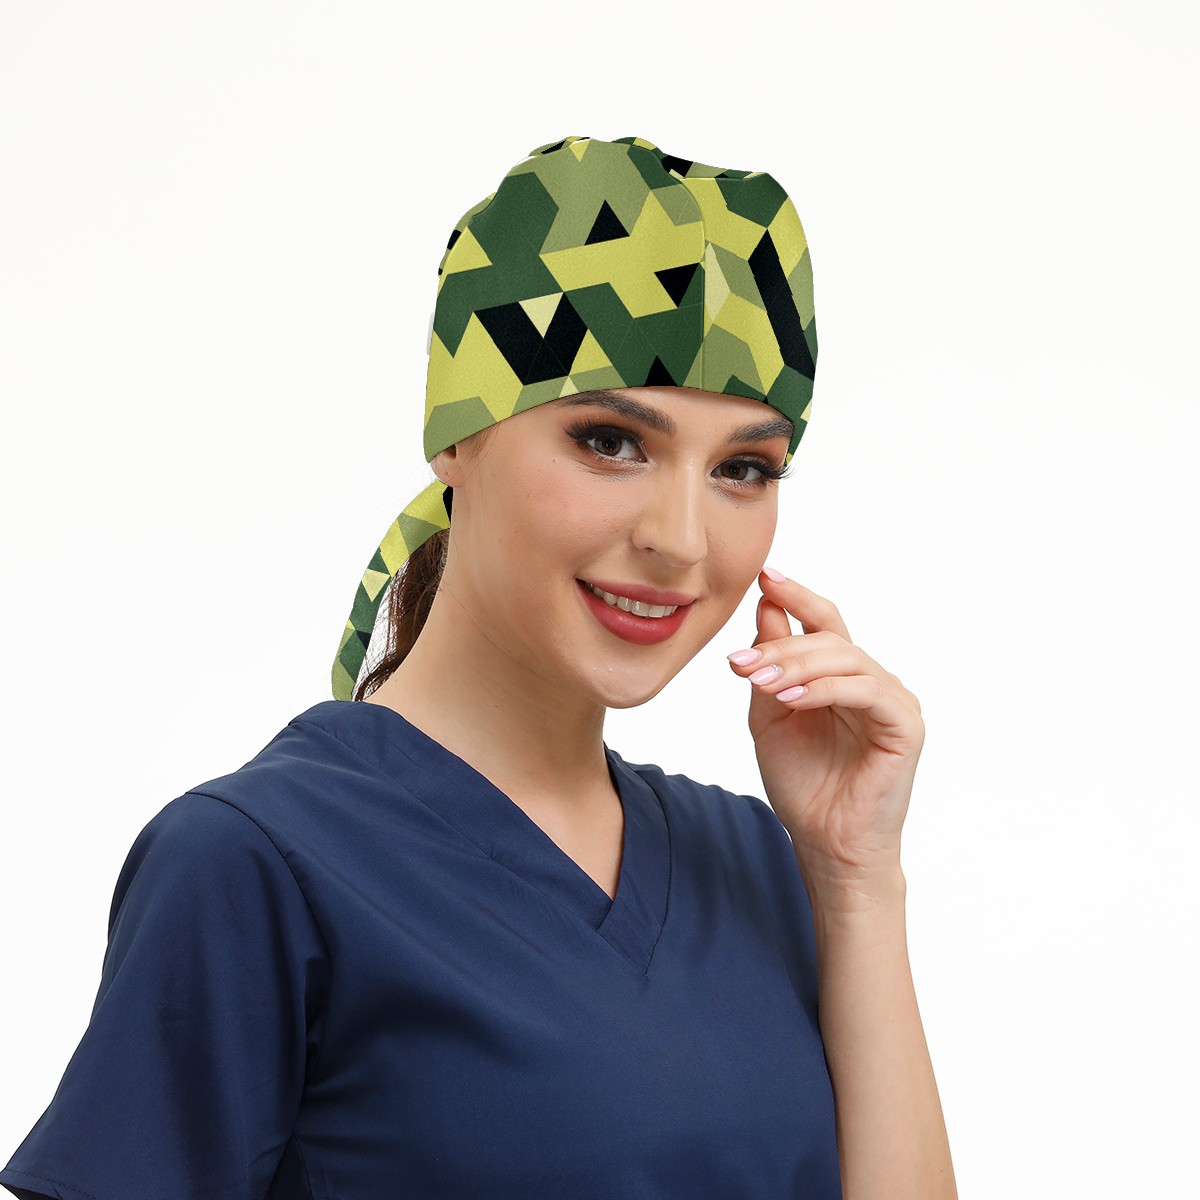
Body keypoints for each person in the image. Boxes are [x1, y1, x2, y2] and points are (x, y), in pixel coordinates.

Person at [1, 134, 956, 1199]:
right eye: (611, 442)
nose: (682, 540)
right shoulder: (254, 864)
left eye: (743, 468)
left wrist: (856, 878)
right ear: (459, 435)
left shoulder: (751, 859)